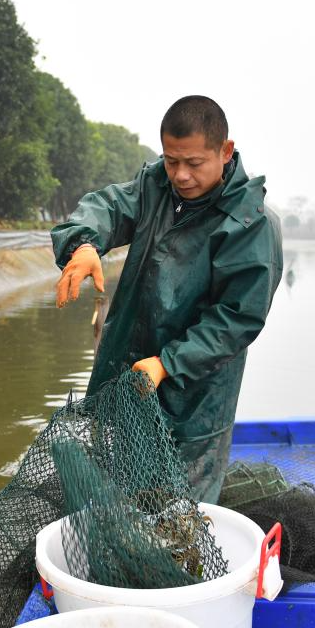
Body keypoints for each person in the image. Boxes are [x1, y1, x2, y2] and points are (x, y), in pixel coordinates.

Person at [50, 95, 283, 503]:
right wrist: (83, 244)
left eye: (194, 163)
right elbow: (107, 207)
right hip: (131, 371)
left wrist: (168, 363)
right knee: (123, 485)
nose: (181, 175)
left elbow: (236, 320)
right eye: (172, 161)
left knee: (181, 506)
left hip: (197, 393)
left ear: (225, 151)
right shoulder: (155, 185)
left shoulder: (251, 223)